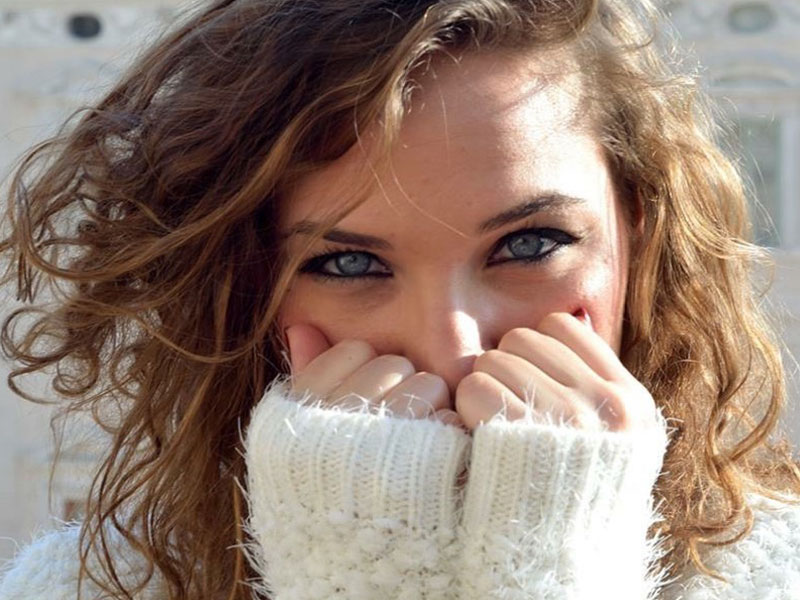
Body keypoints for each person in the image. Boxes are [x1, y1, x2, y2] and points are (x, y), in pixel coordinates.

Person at [1, 0, 799, 598]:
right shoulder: (83, 587)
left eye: (529, 245)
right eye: (348, 264)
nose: (453, 350)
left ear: (639, 233)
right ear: (241, 287)